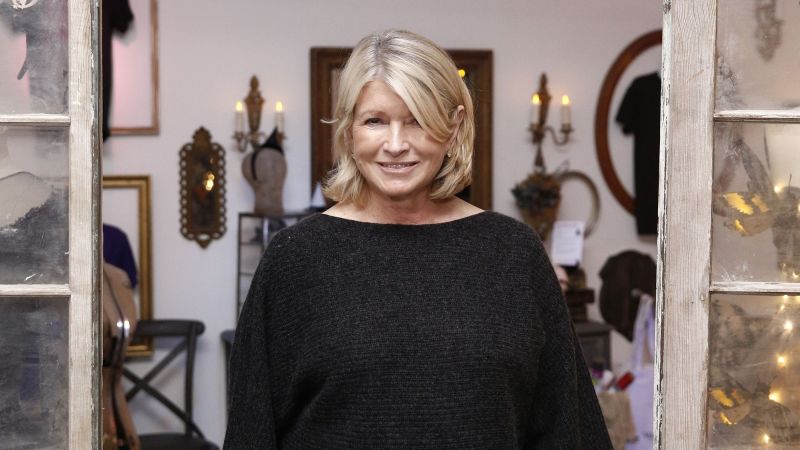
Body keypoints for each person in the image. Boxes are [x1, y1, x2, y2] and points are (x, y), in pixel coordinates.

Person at [224, 29, 610, 449]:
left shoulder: (514, 253)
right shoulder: (294, 259)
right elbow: (251, 432)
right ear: (350, 131)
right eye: (375, 121)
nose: (395, 145)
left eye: (417, 120)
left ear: (453, 127)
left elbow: (567, 429)